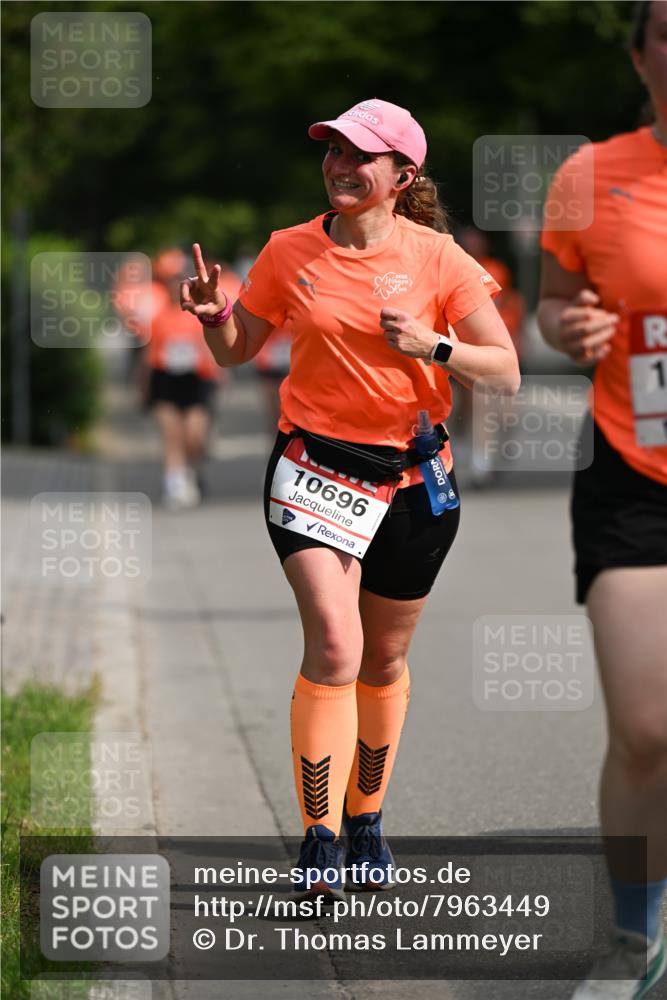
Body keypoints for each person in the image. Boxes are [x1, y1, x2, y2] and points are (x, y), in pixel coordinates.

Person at [181, 98, 519, 898]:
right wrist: (214, 314)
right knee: (335, 648)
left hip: (409, 479)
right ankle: (318, 840)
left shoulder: (439, 259)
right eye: (331, 150)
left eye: (358, 155)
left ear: (401, 176)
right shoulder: (289, 250)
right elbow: (237, 353)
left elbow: (503, 370)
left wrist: (434, 345)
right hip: (313, 471)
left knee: (384, 658)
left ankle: (365, 820)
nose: (339, 165)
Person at [538, 3, 667, 995]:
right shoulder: (590, 174)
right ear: (638, 55)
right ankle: (632, 933)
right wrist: (567, 328)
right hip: (635, 468)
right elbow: (553, 299)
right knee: (644, 727)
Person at [148, 249, 239, 509]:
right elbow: (149, 354)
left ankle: (193, 471)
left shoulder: (199, 312)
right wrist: (143, 387)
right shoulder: (157, 316)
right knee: (171, 435)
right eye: (167, 281)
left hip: (197, 380)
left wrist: (221, 375)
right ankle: (174, 483)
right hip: (165, 379)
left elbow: (211, 346)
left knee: (194, 436)